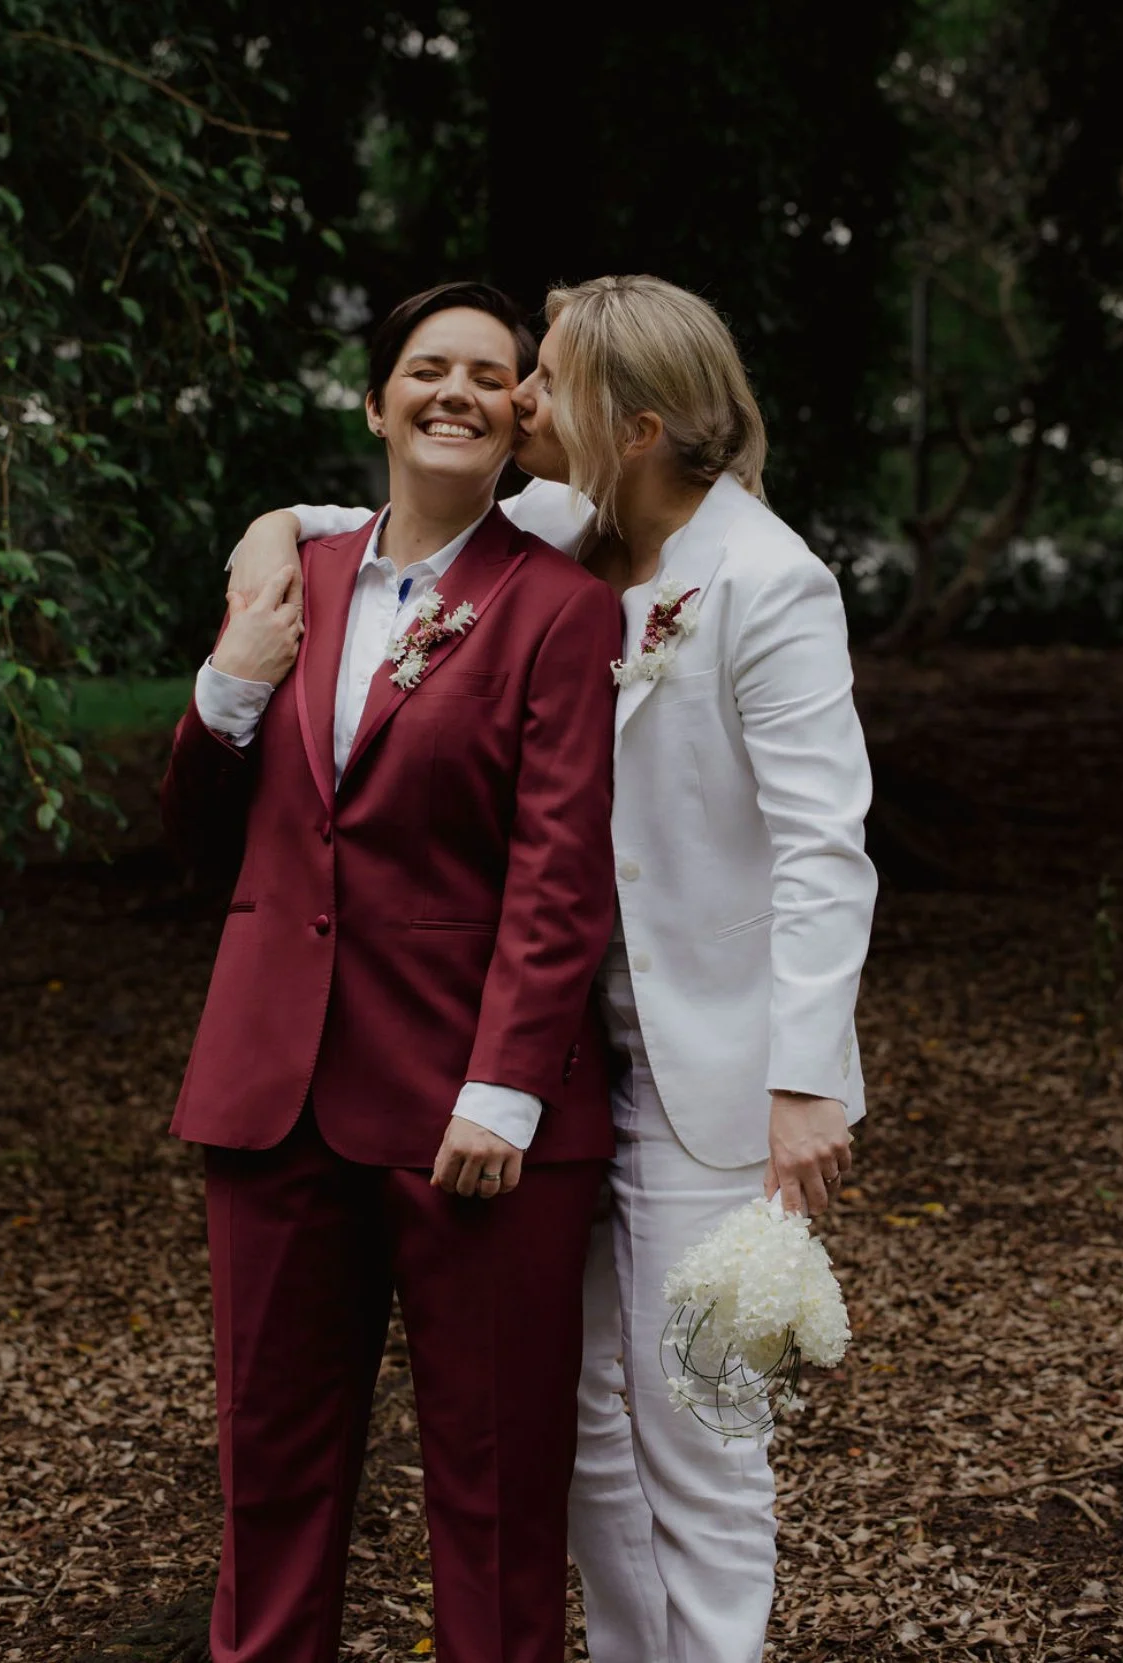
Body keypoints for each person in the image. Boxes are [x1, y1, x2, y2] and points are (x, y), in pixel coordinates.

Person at [230, 273, 877, 1663]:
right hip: (561, 1058)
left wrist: (808, 1079)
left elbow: (826, 849)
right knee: (577, 1427)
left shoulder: (768, 580)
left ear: (629, 425)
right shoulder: (564, 527)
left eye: (543, 379)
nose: (514, 399)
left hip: (711, 1065)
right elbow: (371, 528)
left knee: (697, 1427)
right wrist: (269, 528)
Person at [162, 280, 622, 1663]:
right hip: (273, 1101)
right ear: (375, 402)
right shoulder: (288, 580)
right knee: (268, 1477)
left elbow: (560, 868)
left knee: (495, 1493)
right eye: (428, 368)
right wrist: (229, 679)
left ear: (520, 415)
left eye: (489, 373)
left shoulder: (560, 609)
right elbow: (196, 835)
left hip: (470, 1118)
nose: (455, 392)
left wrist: (504, 1089)